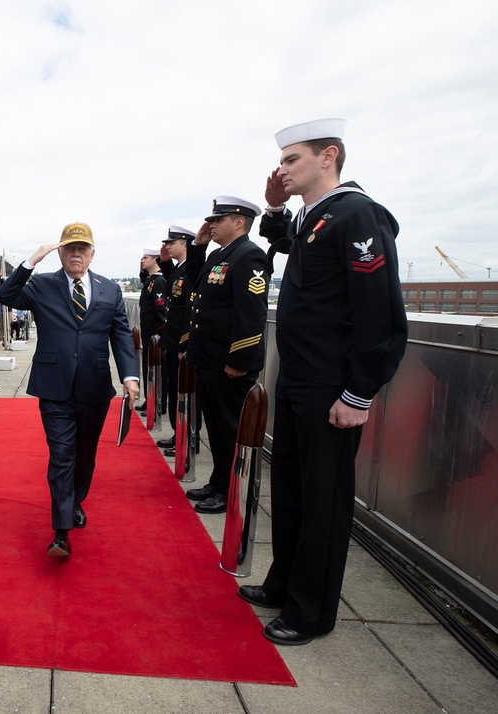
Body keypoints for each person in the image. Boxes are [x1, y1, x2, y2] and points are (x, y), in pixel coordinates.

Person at [239, 119, 407, 646]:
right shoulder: (318, 217)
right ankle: (284, 583)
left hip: (332, 387)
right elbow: (286, 238)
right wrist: (271, 208)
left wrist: (358, 394)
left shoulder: (357, 214)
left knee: (324, 501)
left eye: (292, 160)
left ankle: (311, 612)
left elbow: (379, 313)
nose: (282, 169)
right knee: (289, 488)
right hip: (298, 380)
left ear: (328, 156)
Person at [0, 222, 140, 557]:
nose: (76, 254)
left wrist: (130, 375)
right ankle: (61, 531)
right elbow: (5, 295)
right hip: (54, 385)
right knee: (62, 455)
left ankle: (76, 501)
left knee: (84, 455)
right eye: (69, 248)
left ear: (92, 254)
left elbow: (120, 335)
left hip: (94, 386)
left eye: (82, 249)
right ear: (60, 252)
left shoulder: (109, 290)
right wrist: (32, 260)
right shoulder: (42, 285)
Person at [183, 197, 269, 514]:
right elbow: (194, 284)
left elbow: (251, 314)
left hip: (229, 364)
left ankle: (230, 489)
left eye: (217, 220)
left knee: (230, 430)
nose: (211, 225)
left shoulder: (249, 256)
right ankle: (218, 483)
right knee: (216, 428)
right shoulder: (221, 255)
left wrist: (238, 361)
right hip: (209, 360)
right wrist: (198, 246)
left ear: (238, 222)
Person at [156, 226, 199, 452]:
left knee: (184, 392)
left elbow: (190, 310)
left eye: (172, 243)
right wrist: (164, 263)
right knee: (174, 389)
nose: (168, 246)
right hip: (171, 340)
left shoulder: (191, 270)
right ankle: (178, 434)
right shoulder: (179, 269)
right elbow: (172, 286)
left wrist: (184, 343)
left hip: (180, 342)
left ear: (185, 245)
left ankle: (187, 439)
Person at [135, 247, 168, 414]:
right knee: (149, 369)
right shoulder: (151, 279)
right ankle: (150, 400)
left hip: (155, 335)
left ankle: (158, 405)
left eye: (145, 258)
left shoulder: (160, 281)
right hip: (148, 334)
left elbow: (161, 312)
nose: (142, 261)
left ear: (155, 260)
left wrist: (159, 335)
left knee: (157, 370)